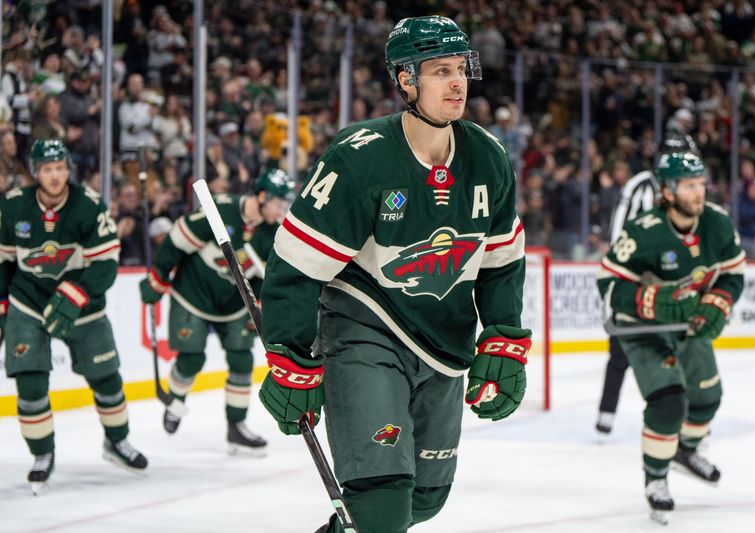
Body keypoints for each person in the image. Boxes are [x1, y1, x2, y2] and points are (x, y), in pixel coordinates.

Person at [257, 17, 529, 533]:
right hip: (366, 332)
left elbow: (500, 262)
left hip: (444, 346)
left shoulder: (488, 157)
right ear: (406, 81)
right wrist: (290, 357)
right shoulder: (361, 157)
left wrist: (502, 340)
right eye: (440, 71)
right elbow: (296, 263)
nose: (457, 83)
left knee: (423, 501)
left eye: (462, 70)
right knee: (382, 504)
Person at [596, 151, 746, 522]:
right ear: (667, 190)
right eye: (689, 185)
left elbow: (734, 273)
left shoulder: (717, 223)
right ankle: (656, 478)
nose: (699, 192)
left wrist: (720, 302)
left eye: (700, 183)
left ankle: (685, 450)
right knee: (668, 403)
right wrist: (652, 301)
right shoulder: (643, 230)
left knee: (708, 396)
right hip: (642, 329)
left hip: (688, 323)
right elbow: (608, 285)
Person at [0, 139, 148, 494]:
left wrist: (75, 296)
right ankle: (42, 454)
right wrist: (3, 307)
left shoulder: (88, 205)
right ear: (36, 173)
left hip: (82, 301)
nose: (55, 176)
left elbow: (106, 264)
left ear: (68, 169)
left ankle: (116, 442)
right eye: (47, 169)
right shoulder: (13, 206)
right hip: (29, 301)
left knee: (107, 377)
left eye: (60, 168)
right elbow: (4, 262)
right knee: (30, 383)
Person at [139, 168, 295, 455]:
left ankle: (236, 427)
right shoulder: (221, 210)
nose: (282, 210)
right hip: (193, 295)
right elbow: (177, 238)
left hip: (235, 305)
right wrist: (158, 276)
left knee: (241, 360)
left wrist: (264, 306)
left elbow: (268, 279)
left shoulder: (272, 234)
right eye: (279, 203)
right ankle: (175, 397)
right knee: (191, 358)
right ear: (262, 196)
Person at [595, 134, 697, 436]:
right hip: (637, 279)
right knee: (621, 350)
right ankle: (606, 413)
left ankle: (678, 419)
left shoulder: (688, 191)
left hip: (673, 282)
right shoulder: (639, 187)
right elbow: (618, 238)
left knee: (678, 349)